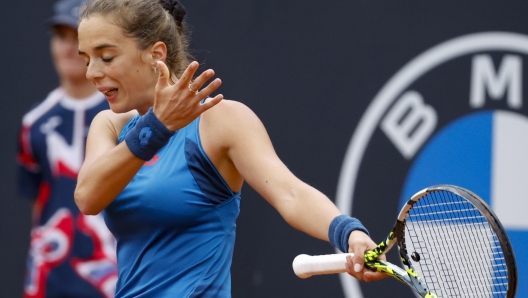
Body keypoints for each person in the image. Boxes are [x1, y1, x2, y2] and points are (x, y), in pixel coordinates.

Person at [74, 0, 386, 296]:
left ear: (155, 54)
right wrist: (157, 125)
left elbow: (290, 193)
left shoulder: (220, 121)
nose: (91, 73)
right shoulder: (110, 127)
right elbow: (88, 196)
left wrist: (349, 233)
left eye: (106, 57)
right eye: (86, 59)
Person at [16, 0, 118, 297]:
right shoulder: (34, 121)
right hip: (51, 274)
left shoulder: (124, 114)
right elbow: (38, 202)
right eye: (61, 36)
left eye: (77, 37)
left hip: (112, 270)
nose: (68, 47)